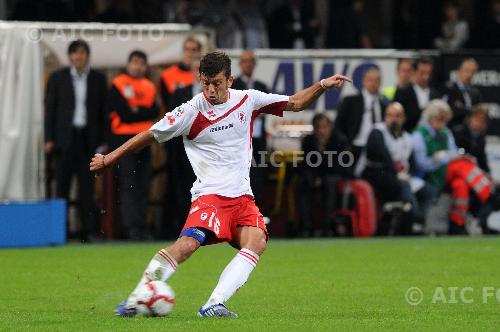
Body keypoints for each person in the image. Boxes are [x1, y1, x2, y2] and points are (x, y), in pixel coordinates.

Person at [90, 51, 351, 318]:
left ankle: (214, 304)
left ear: (229, 79)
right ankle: (136, 299)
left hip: (242, 198)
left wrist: (321, 85)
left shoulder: (247, 100)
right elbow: (149, 135)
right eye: (205, 83)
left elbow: (295, 103)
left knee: (257, 241)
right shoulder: (190, 111)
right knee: (187, 246)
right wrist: (109, 159)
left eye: (217, 82)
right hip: (210, 197)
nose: (211, 90)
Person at [45, 39, 107, 241]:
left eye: (82, 53)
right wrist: (49, 138)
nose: (79, 57)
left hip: (88, 140)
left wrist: (103, 140)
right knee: (61, 186)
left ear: (87, 56)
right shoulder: (58, 78)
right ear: (70, 56)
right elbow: (50, 110)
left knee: (87, 189)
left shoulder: (98, 79)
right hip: (64, 139)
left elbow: (103, 112)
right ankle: (58, 231)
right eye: (75, 53)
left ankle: (88, 231)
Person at [107, 50, 160, 240]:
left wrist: (137, 110)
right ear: (128, 64)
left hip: (145, 140)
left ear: (145, 67)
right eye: (134, 62)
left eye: (141, 63)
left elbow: (154, 111)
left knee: (143, 186)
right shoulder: (118, 84)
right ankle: (131, 229)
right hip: (123, 140)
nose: (137, 66)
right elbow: (125, 114)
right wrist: (141, 111)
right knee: (128, 186)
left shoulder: (149, 85)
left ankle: (142, 227)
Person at [362, 103, 436, 234]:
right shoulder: (377, 132)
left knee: (428, 190)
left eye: (397, 116)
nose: (393, 119)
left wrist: (409, 174)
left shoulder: (407, 138)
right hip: (381, 175)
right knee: (404, 187)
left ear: (403, 118)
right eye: (389, 115)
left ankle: (420, 220)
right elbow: (383, 156)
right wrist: (397, 173)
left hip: (402, 176)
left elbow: (412, 164)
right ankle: (413, 221)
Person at [163, 56, 201, 238]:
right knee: (183, 190)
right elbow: (169, 125)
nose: (200, 73)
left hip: (210, 154)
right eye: (197, 69)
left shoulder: (219, 96)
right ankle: (185, 229)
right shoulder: (179, 94)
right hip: (184, 153)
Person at [299, 114, 351, 237]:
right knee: (303, 183)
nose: (322, 130)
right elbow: (307, 163)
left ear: (330, 127)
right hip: (315, 174)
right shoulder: (309, 141)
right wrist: (314, 177)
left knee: (330, 183)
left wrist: (321, 176)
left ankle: (328, 225)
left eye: (325, 127)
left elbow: (339, 166)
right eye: (318, 127)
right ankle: (306, 226)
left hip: (334, 174)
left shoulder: (339, 140)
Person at [231, 50, 269, 210]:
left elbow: (268, 108)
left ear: (254, 64)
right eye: (245, 61)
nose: (248, 64)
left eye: (251, 61)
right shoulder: (233, 86)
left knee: (257, 179)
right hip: (238, 142)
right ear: (240, 64)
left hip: (258, 141)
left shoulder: (261, 86)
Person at [335, 68, 386, 163]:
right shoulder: (350, 101)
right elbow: (338, 126)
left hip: (377, 149)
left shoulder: (384, 104)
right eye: (370, 80)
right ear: (364, 81)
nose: (373, 83)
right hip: (355, 148)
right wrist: (345, 145)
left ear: (380, 83)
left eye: (377, 80)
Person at [412, 100, 457, 195]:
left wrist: (441, 158)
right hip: (425, 178)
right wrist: (441, 159)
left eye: (445, 120)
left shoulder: (446, 132)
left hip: (444, 175)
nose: (443, 123)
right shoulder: (418, 135)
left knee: (460, 183)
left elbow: (454, 153)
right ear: (430, 117)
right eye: (440, 119)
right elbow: (421, 164)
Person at [394, 57, 441, 132]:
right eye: (422, 73)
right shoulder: (403, 92)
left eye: (429, 73)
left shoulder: (436, 95)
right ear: (414, 72)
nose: (426, 77)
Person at [159, 36, 202, 112]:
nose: (190, 53)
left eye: (194, 50)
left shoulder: (205, 76)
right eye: (187, 49)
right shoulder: (167, 75)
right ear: (183, 51)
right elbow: (165, 104)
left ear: (199, 52)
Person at [444, 58, 482, 129]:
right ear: (459, 71)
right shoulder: (449, 89)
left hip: (470, 131)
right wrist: (470, 110)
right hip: (453, 128)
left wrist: (463, 108)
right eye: (467, 71)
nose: (469, 75)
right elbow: (451, 111)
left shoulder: (476, 93)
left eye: (472, 72)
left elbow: (478, 113)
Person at [453, 104, 490, 174]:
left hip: (472, 170)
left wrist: (488, 173)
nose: (479, 123)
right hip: (458, 168)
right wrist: (466, 156)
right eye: (477, 118)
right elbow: (457, 151)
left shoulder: (481, 138)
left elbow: (482, 160)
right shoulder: (458, 131)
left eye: (482, 120)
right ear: (470, 118)